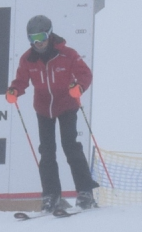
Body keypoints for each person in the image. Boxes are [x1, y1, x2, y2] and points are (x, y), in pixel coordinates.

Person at [6, 15, 100, 212]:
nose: (38, 43)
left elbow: (85, 74)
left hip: (67, 105)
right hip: (43, 109)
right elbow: (21, 81)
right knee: (47, 152)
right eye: (33, 39)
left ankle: (85, 192)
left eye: (41, 37)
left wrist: (79, 87)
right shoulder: (28, 59)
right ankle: (51, 195)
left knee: (70, 147)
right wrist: (14, 90)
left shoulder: (67, 54)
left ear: (49, 34)